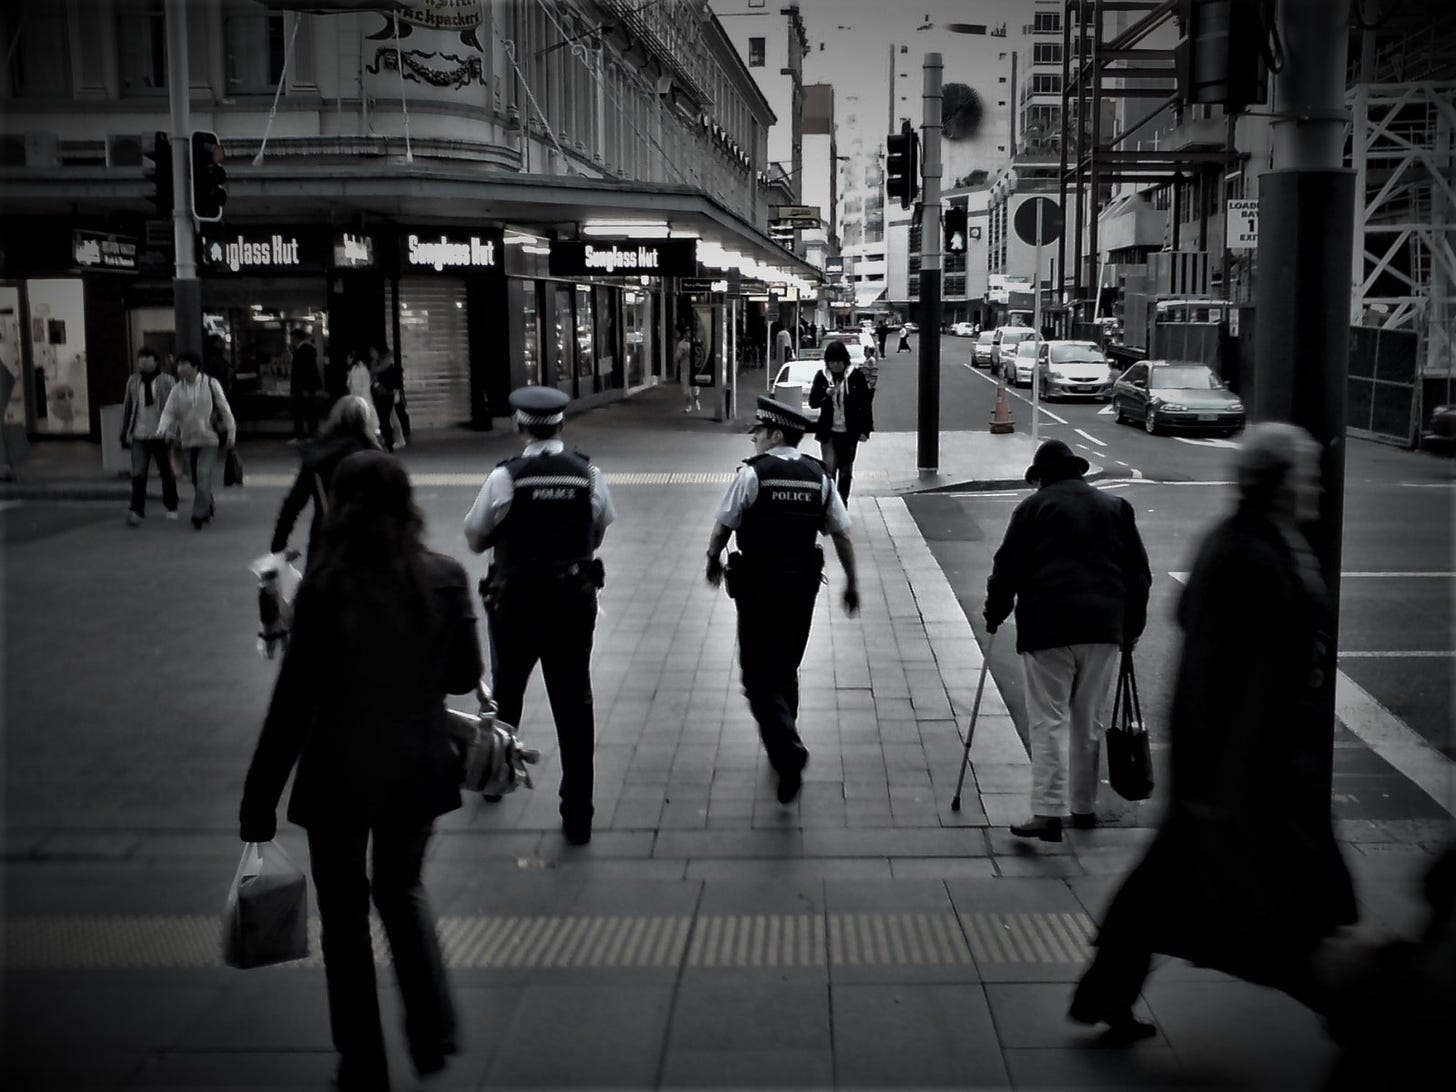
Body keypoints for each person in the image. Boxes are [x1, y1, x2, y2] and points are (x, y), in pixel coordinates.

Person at [1068, 422, 1356, 1044]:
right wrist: (1216, 779)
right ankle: (1352, 1005)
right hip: (1245, 768)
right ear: (1278, 482)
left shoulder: (1255, 540)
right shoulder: (1247, 552)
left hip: (1239, 767)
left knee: (1166, 889)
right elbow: (1218, 675)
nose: (1317, 488)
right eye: (1307, 475)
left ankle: (1105, 993)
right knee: (1278, 906)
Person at [240, 451, 483, 1090]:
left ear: (342, 507)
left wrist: (259, 797)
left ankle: (362, 1060)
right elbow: (461, 676)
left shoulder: (325, 584)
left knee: (344, 917)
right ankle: (432, 1032)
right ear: (407, 503)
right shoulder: (447, 577)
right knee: (400, 891)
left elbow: (293, 704)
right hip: (416, 768)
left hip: (338, 772)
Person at [463, 386, 615, 846]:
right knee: (574, 703)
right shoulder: (587, 473)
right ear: (561, 425)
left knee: (507, 691)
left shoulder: (506, 478)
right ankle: (578, 815)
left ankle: (493, 777)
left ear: (520, 425)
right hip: (572, 603)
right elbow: (600, 529)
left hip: (517, 606)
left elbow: (474, 537)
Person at [983, 438, 1151, 842]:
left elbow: (1008, 567)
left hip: (1048, 628)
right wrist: (1130, 628)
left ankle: (1047, 812)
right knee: (1087, 720)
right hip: (1103, 628)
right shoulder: (1116, 508)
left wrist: (995, 613)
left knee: (1048, 720)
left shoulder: (1032, 508)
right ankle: (1083, 807)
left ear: (1041, 477)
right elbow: (1138, 574)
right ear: (1078, 471)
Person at [705, 396, 860, 805]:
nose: (754, 437)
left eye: (758, 431)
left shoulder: (754, 475)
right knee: (786, 665)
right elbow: (841, 533)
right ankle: (785, 740)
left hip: (758, 589)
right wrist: (852, 583)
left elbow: (724, 525)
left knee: (756, 676)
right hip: (801, 588)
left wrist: (711, 561)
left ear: (775, 434)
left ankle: (787, 749)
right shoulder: (819, 477)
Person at [270, 395, 383, 567]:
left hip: (324, 536)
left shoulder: (317, 455)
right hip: (365, 540)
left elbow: (293, 503)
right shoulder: (373, 456)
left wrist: (279, 544)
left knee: (319, 589)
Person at [156, 349, 235, 531]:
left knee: (203, 473)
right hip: (188, 441)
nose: (180, 367)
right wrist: (162, 429)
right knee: (195, 478)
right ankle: (208, 505)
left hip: (209, 439)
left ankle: (198, 514)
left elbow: (224, 408)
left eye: (184, 364)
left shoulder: (210, 384)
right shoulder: (177, 389)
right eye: (179, 364)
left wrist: (231, 432)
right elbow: (169, 412)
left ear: (195, 367)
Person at [808, 339, 874, 504]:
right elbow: (813, 402)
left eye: (839, 362)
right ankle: (830, 505)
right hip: (828, 431)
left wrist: (865, 430)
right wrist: (825, 394)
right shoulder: (822, 377)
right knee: (829, 469)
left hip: (850, 431)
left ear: (845, 361)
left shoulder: (855, 376)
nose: (836, 366)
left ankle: (842, 504)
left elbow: (865, 405)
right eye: (832, 362)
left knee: (845, 470)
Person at [119, 346, 178, 526]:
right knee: (138, 473)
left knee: (166, 471)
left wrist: (171, 431)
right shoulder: (133, 381)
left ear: (155, 361)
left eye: (147, 358)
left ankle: (171, 505)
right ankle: (137, 509)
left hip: (160, 434)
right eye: (140, 358)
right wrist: (124, 432)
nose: (143, 361)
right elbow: (128, 407)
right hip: (139, 434)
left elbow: (174, 408)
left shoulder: (167, 381)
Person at [369, 344, 410, 452]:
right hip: (388, 392)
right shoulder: (386, 359)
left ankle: (394, 440)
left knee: (388, 417)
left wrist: (374, 359)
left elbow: (374, 371)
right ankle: (397, 439)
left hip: (388, 393)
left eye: (372, 351)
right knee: (392, 416)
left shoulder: (386, 360)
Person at [289, 327, 322, 441]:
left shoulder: (305, 350)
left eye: (292, 338)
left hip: (304, 387)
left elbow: (307, 371)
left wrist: (306, 388)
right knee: (305, 411)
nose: (291, 340)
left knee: (306, 411)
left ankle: (306, 434)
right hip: (303, 387)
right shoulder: (303, 350)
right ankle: (307, 434)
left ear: (296, 338)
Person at [677, 334, 699, 413]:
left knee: (695, 387)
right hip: (684, 368)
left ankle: (696, 400)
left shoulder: (696, 342)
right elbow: (677, 356)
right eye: (686, 332)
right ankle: (688, 406)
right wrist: (683, 354)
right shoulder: (681, 344)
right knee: (686, 389)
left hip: (694, 369)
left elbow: (699, 354)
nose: (688, 334)